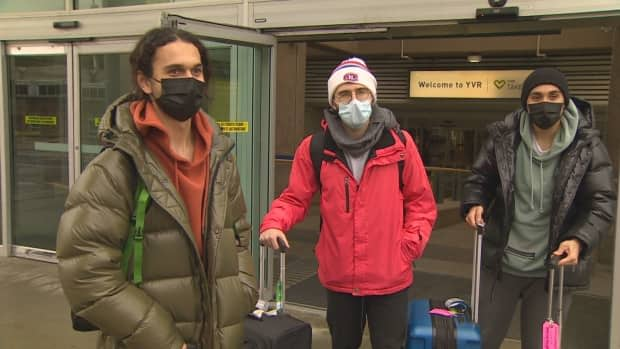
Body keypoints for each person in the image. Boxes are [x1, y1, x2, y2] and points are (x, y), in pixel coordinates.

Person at [56, 27, 257, 349]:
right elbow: (86, 275)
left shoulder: (220, 159)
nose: (189, 80)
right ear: (145, 82)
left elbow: (239, 234)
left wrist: (243, 293)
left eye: (196, 70)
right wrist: (164, 341)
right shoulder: (116, 167)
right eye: (174, 71)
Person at [260, 57, 437, 349]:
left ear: (372, 97)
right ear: (333, 101)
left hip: (390, 276)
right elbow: (295, 196)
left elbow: (421, 202)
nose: (353, 100)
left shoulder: (400, 144)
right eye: (344, 94)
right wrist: (274, 222)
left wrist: (407, 247)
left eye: (360, 92)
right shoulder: (315, 147)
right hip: (340, 276)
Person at [461, 67, 616, 349]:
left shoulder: (588, 146)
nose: (545, 102)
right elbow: (480, 179)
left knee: (540, 345)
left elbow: (601, 201)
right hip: (501, 264)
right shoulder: (503, 139)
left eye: (553, 95)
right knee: (481, 341)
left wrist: (580, 239)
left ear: (565, 100)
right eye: (536, 96)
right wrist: (475, 202)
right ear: (525, 102)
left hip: (552, 272)